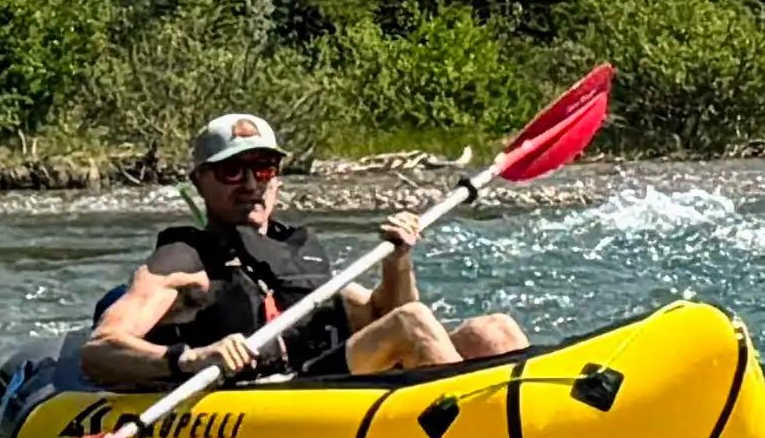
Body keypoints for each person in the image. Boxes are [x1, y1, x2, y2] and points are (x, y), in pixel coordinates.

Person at [81, 112, 526, 392]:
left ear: (277, 176)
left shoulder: (294, 250)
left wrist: (398, 261)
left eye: (262, 168)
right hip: (272, 396)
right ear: (200, 181)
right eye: (232, 171)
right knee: (413, 324)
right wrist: (193, 358)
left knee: (495, 331)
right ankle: (474, 437)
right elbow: (100, 351)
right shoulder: (182, 259)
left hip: (329, 383)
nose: (252, 184)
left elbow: (381, 315)